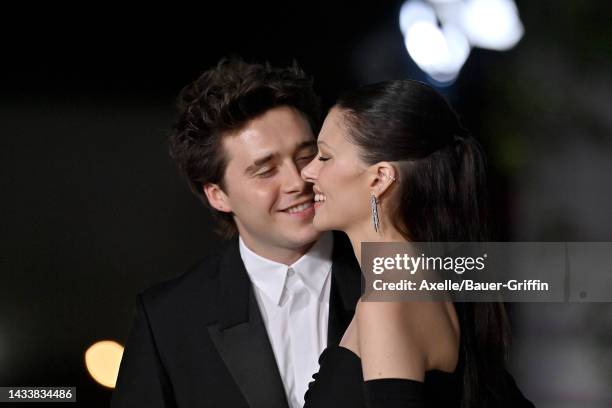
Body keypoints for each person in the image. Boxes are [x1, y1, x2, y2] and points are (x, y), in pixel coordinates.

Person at [110, 58, 362, 408]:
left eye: (307, 156)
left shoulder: (402, 270)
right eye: (265, 170)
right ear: (218, 195)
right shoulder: (168, 319)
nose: (297, 181)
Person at [300, 79, 535, 407]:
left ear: (380, 178)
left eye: (324, 157)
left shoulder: (391, 300)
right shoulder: (419, 284)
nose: (307, 172)